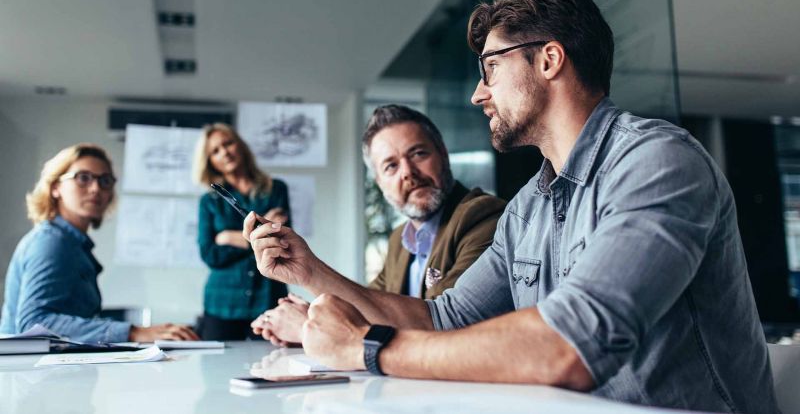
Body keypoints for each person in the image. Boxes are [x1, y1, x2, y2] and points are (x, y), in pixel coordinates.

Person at [243, 0, 778, 412]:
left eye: (492, 67)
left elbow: (569, 345)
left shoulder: (658, 162)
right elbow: (442, 319)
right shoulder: (527, 208)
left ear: (549, 60)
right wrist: (308, 272)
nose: (479, 92)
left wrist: (366, 348)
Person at [251, 105, 506, 345]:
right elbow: (368, 308)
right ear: (379, 182)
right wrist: (313, 315)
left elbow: (441, 325)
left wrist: (309, 325)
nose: (407, 172)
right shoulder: (400, 239)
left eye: (418, 154)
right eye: (391, 166)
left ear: (443, 154)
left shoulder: (483, 217)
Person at [0, 143, 198, 343]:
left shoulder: (73, 244)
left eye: (105, 181)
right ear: (55, 187)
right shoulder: (51, 242)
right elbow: (34, 323)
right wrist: (133, 332)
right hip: (29, 372)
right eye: (83, 178)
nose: (96, 188)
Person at [193, 123, 290, 340]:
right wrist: (257, 238)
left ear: (240, 146)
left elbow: (280, 242)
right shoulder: (209, 202)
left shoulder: (276, 190)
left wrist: (228, 237)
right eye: (215, 151)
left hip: (268, 298)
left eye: (228, 143)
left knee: (272, 365)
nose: (224, 152)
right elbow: (210, 254)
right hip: (222, 304)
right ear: (210, 162)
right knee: (216, 370)